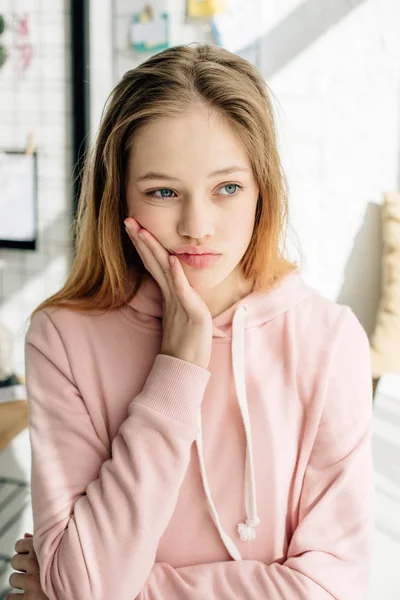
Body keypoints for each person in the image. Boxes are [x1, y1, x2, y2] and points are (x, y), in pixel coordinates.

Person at [7, 43, 374, 600]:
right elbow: (84, 588)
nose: (196, 225)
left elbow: (332, 587)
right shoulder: (62, 338)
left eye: (227, 188)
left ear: (261, 191)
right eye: (162, 192)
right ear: (119, 197)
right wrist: (178, 367)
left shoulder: (329, 340)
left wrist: (125, 591)